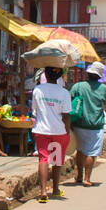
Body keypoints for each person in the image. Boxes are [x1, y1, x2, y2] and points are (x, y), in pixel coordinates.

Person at [31, 65, 72, 202]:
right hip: (59, 131)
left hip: (41, 130)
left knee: (43, 159)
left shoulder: (37, 90)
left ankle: (43, 191)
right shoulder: (64, 93)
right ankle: (55, 189)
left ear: (45, 75)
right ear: (59, 76)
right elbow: (66, 116)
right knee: (57, 160)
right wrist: (67, 132)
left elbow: (35, 111)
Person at [70, 61, 106, 187]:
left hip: (79, 125)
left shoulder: (78, 86)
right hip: (95, 127)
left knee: (80, 151)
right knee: (91, 153)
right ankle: (87, 178)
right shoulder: (104, 89)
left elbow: (70, 100)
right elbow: (104, 102)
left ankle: (79, 175)